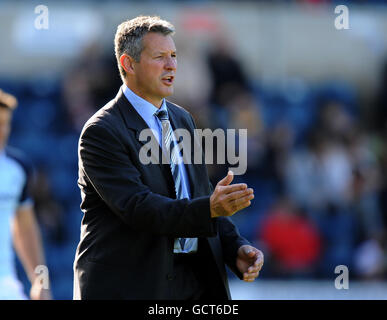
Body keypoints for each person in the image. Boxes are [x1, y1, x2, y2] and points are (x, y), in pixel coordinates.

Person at [73, 16, 264, 300]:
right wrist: (210, 209)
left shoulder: (182, 119)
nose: (172, 65)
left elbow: (199, 195)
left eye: (173, 56)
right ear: (128, 64)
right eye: (160, 57)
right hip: (129, 286)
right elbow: (139, 208)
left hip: (191, 283)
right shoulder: (102, 131)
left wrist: (234, 246)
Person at [0, 89, 52, 300]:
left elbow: (27, 228)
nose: (2, 130)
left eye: (5, 123)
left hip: (5, 283)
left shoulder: (17, 168)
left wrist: (42, 282)